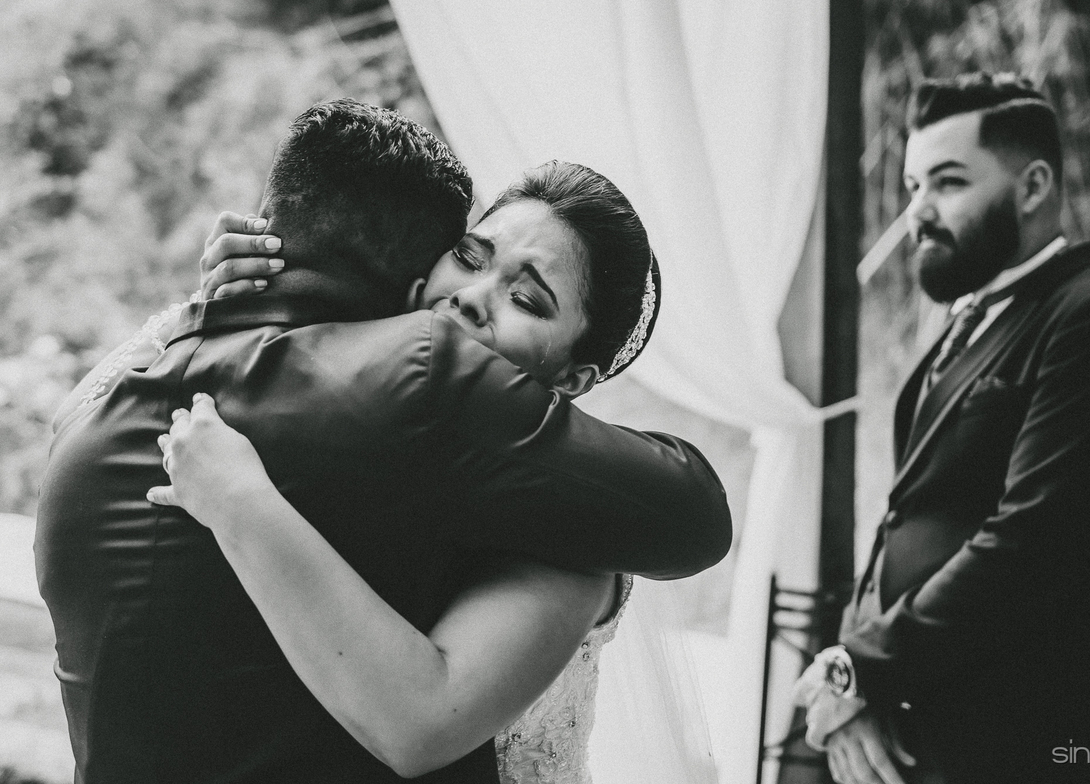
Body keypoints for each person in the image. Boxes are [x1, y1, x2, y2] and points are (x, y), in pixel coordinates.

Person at [37, 99, 730, 784]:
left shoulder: (574, 532)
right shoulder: (365, 408)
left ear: (574, 376)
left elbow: (421, 723)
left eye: (527, 299)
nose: (470, 297)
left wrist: (244, 504)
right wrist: (252, 295)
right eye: (468, 255)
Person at [794, 73, 1090, 784]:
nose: (917, 212)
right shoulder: (971, 324)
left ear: (1033, 186)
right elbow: (906, 521)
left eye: (947, 183)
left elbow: (1038, 544)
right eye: (914, 185)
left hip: (1029, 744)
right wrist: (858, 684)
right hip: (914, 727)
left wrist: (861, 668)